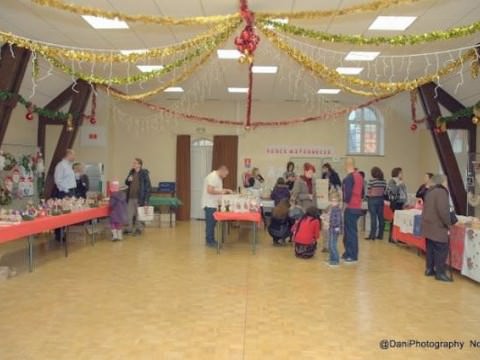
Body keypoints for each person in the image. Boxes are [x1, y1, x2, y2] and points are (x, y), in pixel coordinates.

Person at [421, 174, 453, 282]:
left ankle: (429, 269)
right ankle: (440, 273)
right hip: (437, 227)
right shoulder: (441, 192)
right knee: (441, 249)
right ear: (442, 182)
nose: (447, 184)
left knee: (430, 249)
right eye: (446, 181)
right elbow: (443, 211)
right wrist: (448, 223)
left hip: (428, 225)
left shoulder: (429, 191)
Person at [201, 165, 233, 247]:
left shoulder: (218, 177)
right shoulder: (213, 177)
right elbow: (210, 190)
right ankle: (210, 242)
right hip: (209, 204)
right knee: (210, 224)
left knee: (212, 224)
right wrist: (222, 192)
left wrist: (225, 190)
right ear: (222, 171)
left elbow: (217, 189)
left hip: (213, 204)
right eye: (225, 174)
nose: (225, 176)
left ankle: (211, 240)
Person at [342, 158, 364, 263]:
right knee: (351, 232)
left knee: (349, 232)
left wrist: (344, 207)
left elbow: (347, 194)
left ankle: (352, 255)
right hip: (357, 208)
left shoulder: (349, 178)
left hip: (350, 208)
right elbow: (362, 193)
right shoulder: (359, 176)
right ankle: (348, 253)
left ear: (347, 166)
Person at [125, 158, 151, 236]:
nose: (133, 164)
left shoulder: (144, 173)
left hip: (140, 198)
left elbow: (148, 187)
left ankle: (138, 230)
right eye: (133, 163)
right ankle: (129, 229)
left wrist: (146, 200)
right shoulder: (131, 172)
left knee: (138, 215)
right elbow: (126, 182)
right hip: (130, 197)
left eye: (135, 163)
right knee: (129, 214)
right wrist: (128, 180)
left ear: (139, 165)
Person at [53, 149, 76, 241]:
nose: (74, 157)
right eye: (73, 155)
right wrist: (66, 191)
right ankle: (59, 235)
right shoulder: (61, 165)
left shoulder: (68, 166)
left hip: (70, 191)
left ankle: (64, 233)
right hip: (64, 193)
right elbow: (57, 180)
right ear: (68, 154)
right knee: (62, 214)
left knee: (68, 214)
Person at [366, 166, 387, 240]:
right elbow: (385, 191)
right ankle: (380, 235)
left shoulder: (371, 181)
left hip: (372, 200)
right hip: (381, 200)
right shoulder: (384, 181)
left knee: (373, 218)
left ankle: (372, 236)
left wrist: (368, 196)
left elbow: (368, 192)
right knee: (381, 217)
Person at [327, 192, 343, 267]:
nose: (333, 202)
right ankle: (331, 258)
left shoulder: (337, 210)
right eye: (332, 201)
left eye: (335, 201)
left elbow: (337, 221)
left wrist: (329, 223)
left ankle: (336, 260)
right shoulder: (332, 208)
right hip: (331, 229)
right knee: (330, 244)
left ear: (338, 201)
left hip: (335, 229)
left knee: (333, 245)